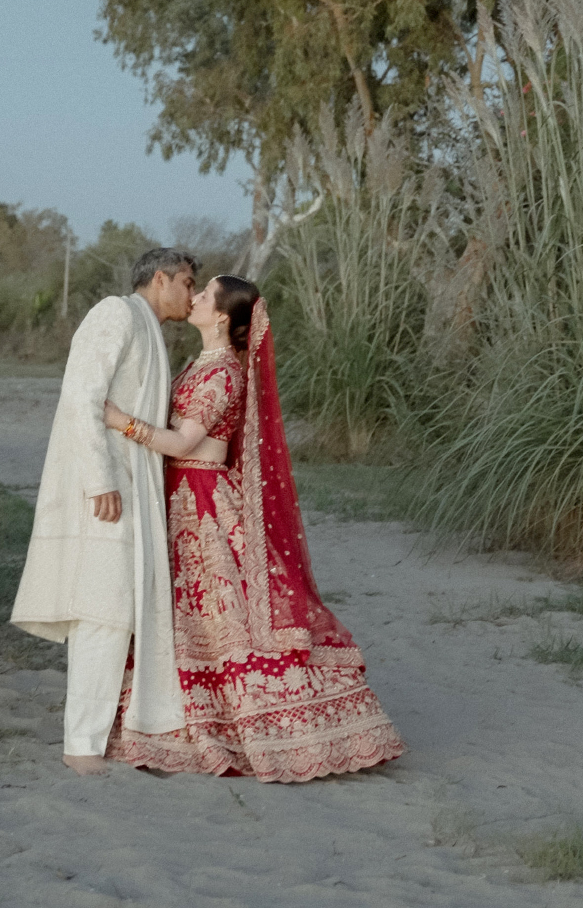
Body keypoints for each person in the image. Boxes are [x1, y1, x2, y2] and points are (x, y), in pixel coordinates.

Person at [101, 275, 405, 782]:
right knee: (189, 614)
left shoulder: (223, 373)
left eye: (205, 294)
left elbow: (182, 443)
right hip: (181, 494)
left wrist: (120, 421)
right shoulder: (199, 363)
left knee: (226, 614)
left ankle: (275, 726)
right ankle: (176, 717)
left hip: (203, 501)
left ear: (222, 315)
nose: (195, 298)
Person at [10, 248, 198, 776]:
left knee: (121, 606)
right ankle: (81, 744)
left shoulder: (149, 328)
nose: (190, 294)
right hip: (106, 484)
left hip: (133, 482)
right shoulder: (115, 312)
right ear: (159, 279)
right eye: (186, 282)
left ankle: (109, 734)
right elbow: (81, 396)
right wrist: (99, 480)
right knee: (103, 608)